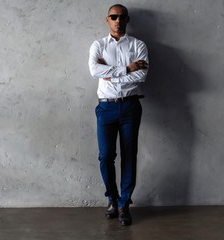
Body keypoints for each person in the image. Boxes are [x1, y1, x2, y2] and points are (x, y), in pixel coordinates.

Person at [88, 4, 149, 226]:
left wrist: (111, 74)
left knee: (129, 155)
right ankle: (111, 199)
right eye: (113, 16)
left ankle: (124, 204)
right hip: (106, 107)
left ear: (127, 19)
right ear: (107, 19)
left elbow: (141, 76)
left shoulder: (138, 45)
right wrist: (126, 69)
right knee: (106, 156)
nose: (117, 20)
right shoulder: (99, 45)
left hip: (131, 106)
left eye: (121, 17)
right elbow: (94, 71)